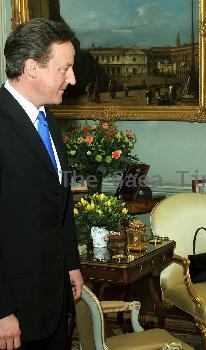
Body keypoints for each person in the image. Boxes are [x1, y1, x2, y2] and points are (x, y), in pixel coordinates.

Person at [0, 18, 83, 349]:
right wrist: (2, 309)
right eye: (65, 69)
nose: (72, 79)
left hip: (51, 296)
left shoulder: (46, 120)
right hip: (13, 308)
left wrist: (72, 265)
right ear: (32, 68)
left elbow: (58, 202)